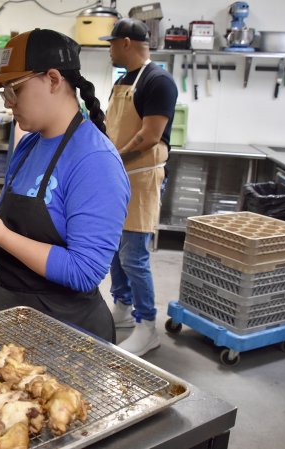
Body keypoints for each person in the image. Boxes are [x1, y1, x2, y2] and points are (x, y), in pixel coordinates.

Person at [0, 29, 130, 344]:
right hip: (15, 317)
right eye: (4, 93)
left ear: (53, 80)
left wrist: (1, 235)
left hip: (69, 335)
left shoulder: (95, 160)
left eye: (14, 90)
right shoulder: (30, 144)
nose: (8, 104)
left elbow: (84, 271)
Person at [101, 18, 178, 356]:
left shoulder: (158, 81)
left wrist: (113, 158)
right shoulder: (124, 80)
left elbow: (149, 136)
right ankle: (123, 307)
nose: (109, 49)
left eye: (111, 43)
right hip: (118, 177)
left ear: (126, 43)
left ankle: (147, 326)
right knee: (115, 251)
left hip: (142, 178)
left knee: (133, 256)